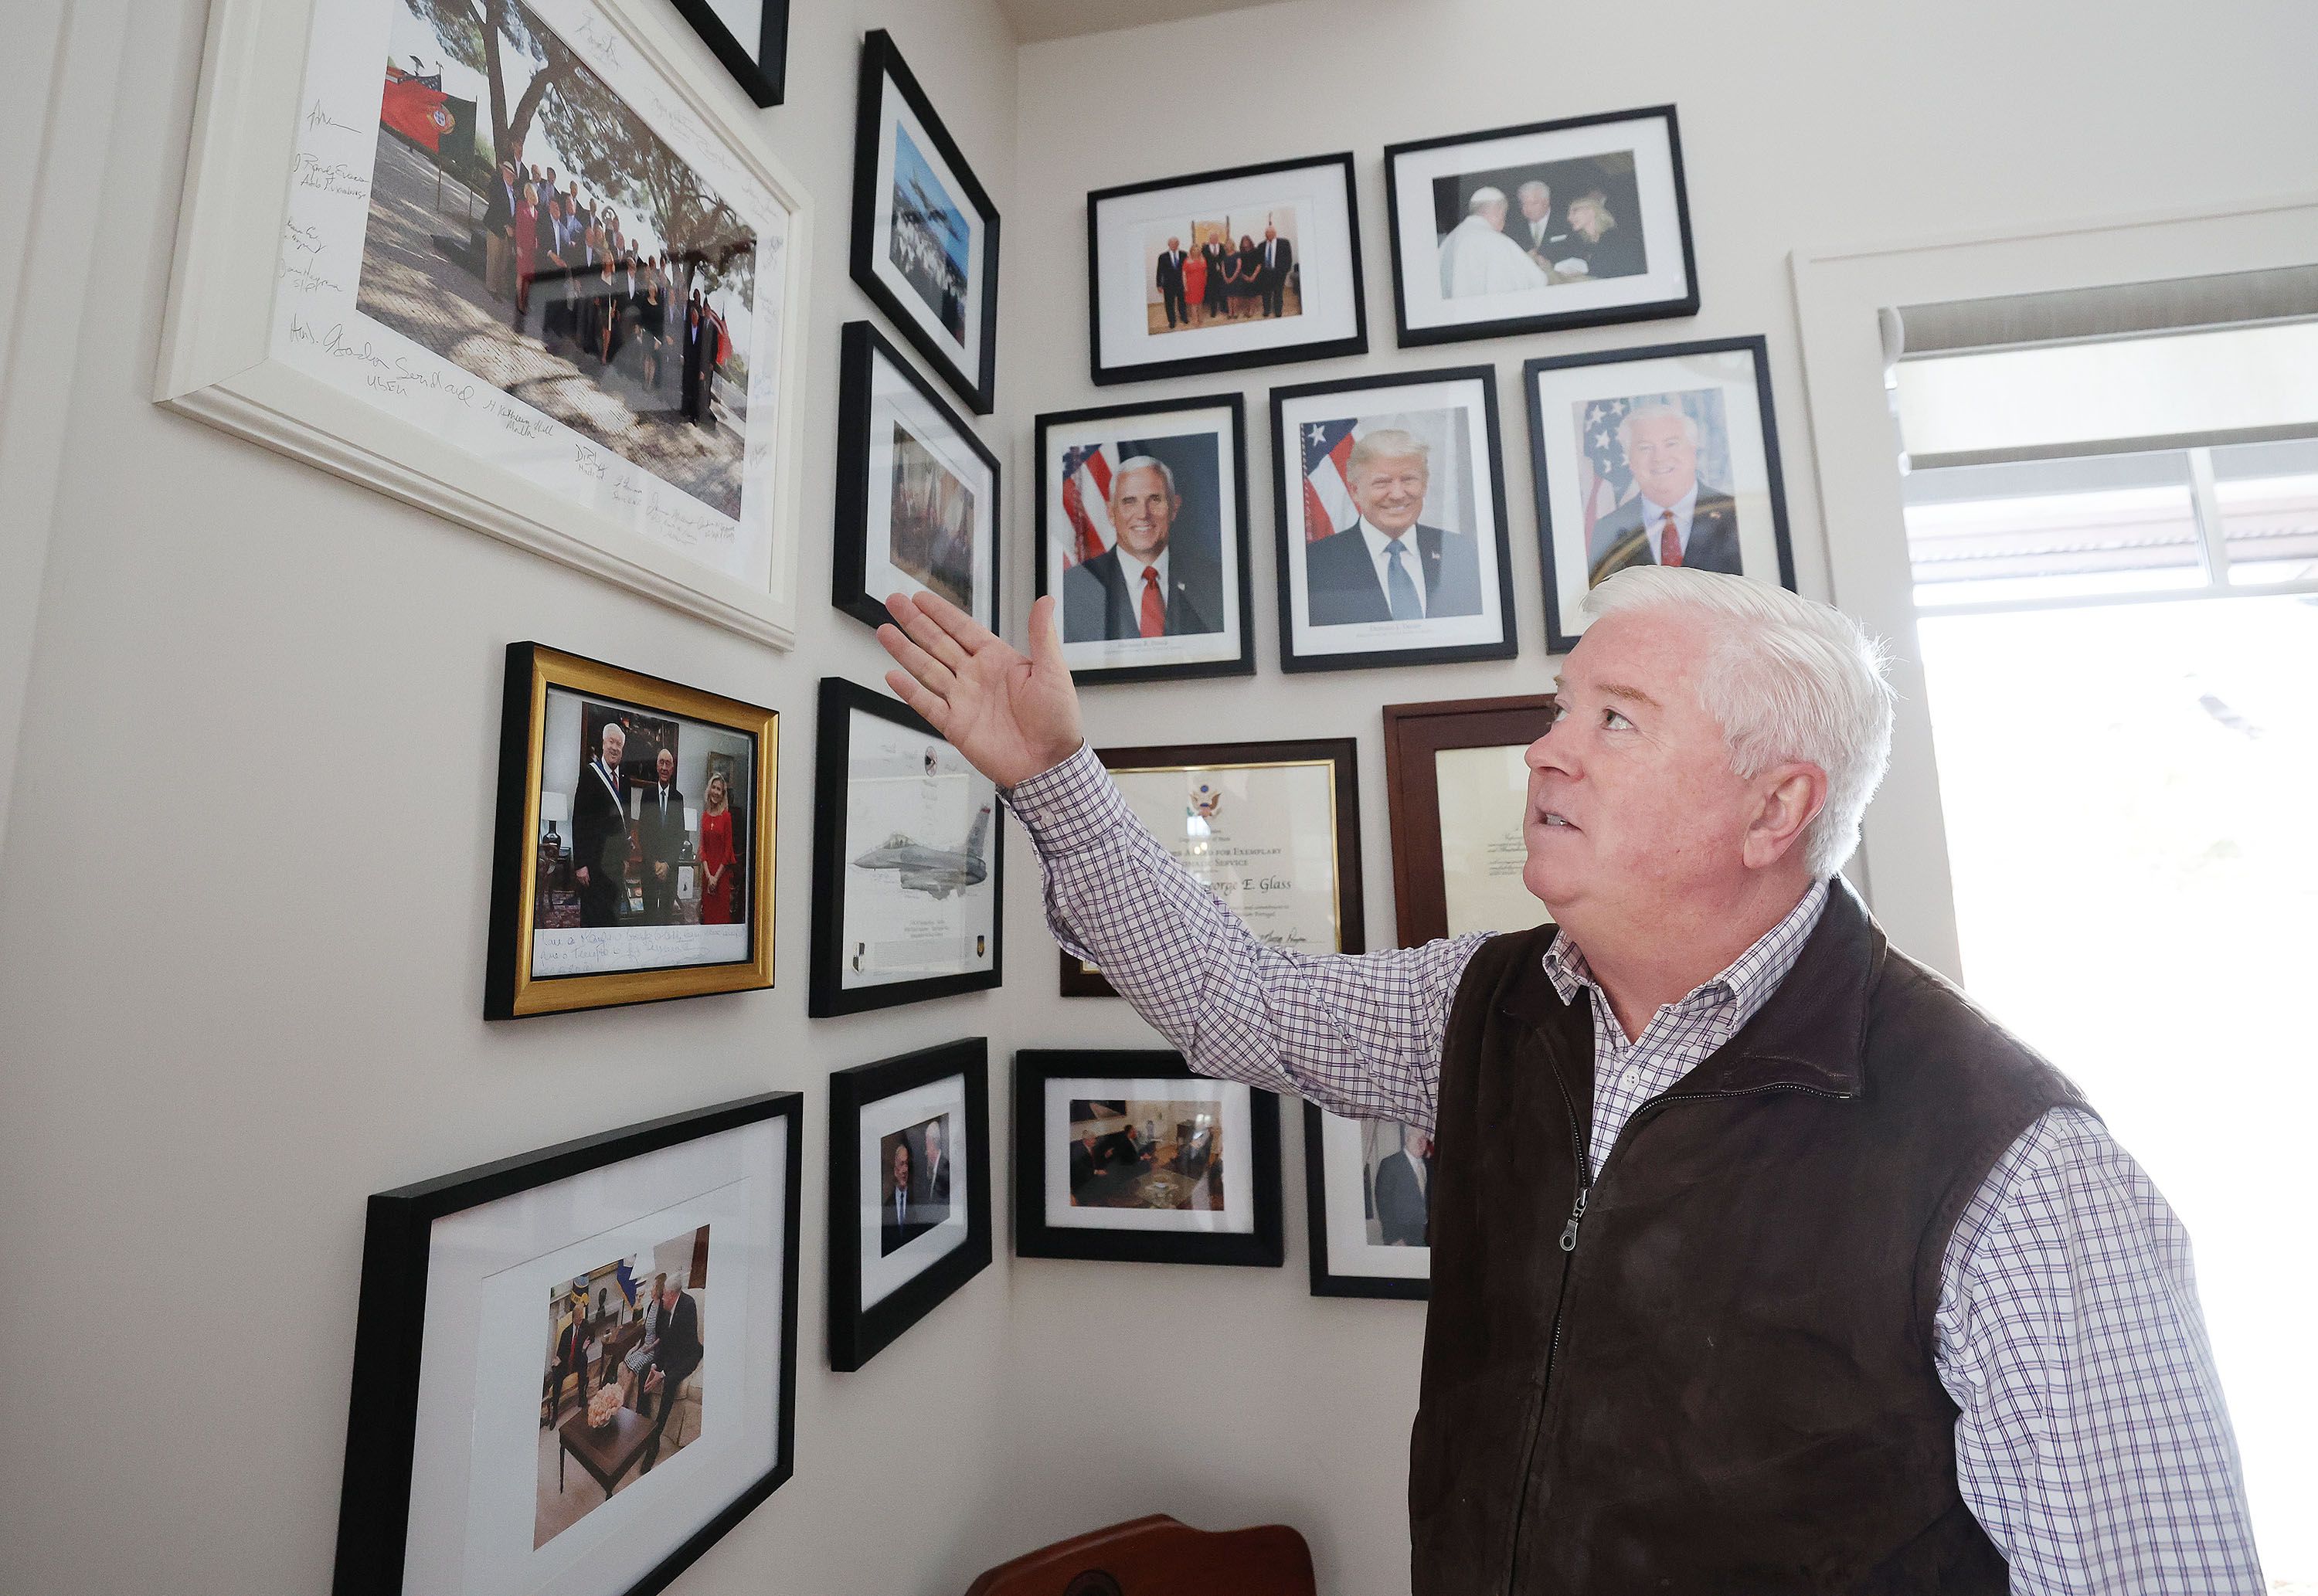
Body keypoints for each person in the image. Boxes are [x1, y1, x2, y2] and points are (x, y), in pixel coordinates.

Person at [870, 569, 2264, 1594]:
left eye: (1618, 719)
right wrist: (1055, 776)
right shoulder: (1489, 1004)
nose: (1546, 747)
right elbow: (1246, 1001)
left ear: (1777, 807)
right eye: (1564, 707)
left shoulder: (2017, 1165)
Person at [1303, 430, 1483, 625]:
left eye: (1408, 480)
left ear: (1425, 485)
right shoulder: (1315, 565)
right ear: (1355, 491)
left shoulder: (1463, 553)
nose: (1397, 494)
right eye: (1382, 482)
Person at [1062, 456, 1220, 643]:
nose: (1143, 514)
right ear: (1111, 513)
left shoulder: (1214, 581)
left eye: (1155, 499)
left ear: (1174, 507)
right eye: (1129, 501)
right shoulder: (1073, 589)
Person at [1588, 405, 1744, 582]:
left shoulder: (1737, 516)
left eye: (1671, 444)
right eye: (1645, 447)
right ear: (1630, 460)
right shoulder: (1607, 530)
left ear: (1693, 451)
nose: (1659, 457)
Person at [1437, 186, 1549, 299]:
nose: (1504, 223)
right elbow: (1537, 282)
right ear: (1499, 211)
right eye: (1504, 215)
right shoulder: (1497, 241)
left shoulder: (1449, 240)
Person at [570, 720, 630, 928]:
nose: (615, 748)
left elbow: (625, 821)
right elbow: (579, 820)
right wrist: (580, 865)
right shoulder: (590, 774)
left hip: (615, 864)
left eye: (619, 744)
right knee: (593, 918)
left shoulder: (624, 778)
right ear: (603, 744)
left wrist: (625, 858)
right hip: (594, 864)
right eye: (611, 742)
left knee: (612, 917)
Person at [639, 1275, 700, 1471]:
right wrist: (655, 1366)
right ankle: (644, 1424)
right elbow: (664, 1341)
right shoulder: (665, 1311)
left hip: (688, 1355)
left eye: (664, 1295)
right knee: (644, 1371)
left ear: (673, 1295)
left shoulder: (688, 1307)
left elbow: (683, 1347)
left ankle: (655, 1440)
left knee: (671, 1381)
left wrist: (663, 1373)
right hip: (671, 1352)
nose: (662, 1298)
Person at [636, 745, 685, 927]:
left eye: (668, 764)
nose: (664, 767)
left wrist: (666, 865)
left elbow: (680, 835)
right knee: (649, 916)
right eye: (661, 763)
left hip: (670, 870)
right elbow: (643, 834)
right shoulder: (647, 795)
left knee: (665, 917)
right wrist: (655, 863)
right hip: (650, 867)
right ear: (656, 767)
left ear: (672, 769)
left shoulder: (678, 798)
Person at [1551, 188, 1644, 280]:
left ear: (1592, 211)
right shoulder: (1584, 243)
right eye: (1569, 214)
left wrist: (1584, 273)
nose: (1569, 218)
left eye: (1575, 211)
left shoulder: (1615, 238)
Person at [1371, 1129, 1432, 1246]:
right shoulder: (1390, 1164)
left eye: (1423, 1138)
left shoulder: (1430, 1165)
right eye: (1416, 1137)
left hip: (1429, 1238)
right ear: (1407, 1139)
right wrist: (1394, 1238)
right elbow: (1384, 1204)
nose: (1420, 1142)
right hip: (1403, 1239)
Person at [541, 1279, 588, 1426]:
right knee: (557, 1375)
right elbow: (561, 1352)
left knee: (584, 1363)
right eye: (579, 1319)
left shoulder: (585, 1325)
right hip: (565, 1361)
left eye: (582, 1319)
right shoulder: (567, 1333)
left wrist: (586, 1345)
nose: (581, 1321)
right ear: (574, 1319)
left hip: (577, 1360)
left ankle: (582, 1398)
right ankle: (554, 1414)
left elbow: (591, 1335)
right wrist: (558, 1360)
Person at [696, 769, 736, 925]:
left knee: (720, 918)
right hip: (708, 875)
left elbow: (728, 851)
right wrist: (708, 876)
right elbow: (702, 848)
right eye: (714, 788)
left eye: (719, 789)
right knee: (708, 916)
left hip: (721, 876)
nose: (715, 792)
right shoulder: (705, 816)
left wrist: (716, 878)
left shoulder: (726, 817)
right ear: (709, 789)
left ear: (723, 793)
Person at [881, 1140, 932, 1251]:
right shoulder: (887, 1206)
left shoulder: (919, 1199)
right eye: (901, 1164)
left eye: (907, 1164)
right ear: (895, 1171)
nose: (905, 1170)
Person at [483, 160, 518, 300]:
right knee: (494, 258)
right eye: (508, 173)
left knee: (504, 261)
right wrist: (505, 225)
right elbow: (496, 207)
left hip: (507, 233)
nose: (510, 177)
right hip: (496, 227)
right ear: (503, 172)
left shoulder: (513, 193)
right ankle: (491, 287)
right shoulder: (497, 186)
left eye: (512, 175)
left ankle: (500, 288)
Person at [512, 181, 539, 323]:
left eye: (532, 193)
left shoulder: (537, 212)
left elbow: (537, 232)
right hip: (522, 246)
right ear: (526, 194)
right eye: (528, 192)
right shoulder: (521, 206)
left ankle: (525, 301)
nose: (530, 195)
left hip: (532, 250)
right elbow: (518, 227)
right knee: (521, 274)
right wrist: (518, 246)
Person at [1255, 222, 1293, 318]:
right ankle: (1267, 310)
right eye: (1267, 233)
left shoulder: (1284, 243)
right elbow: (1258, 261)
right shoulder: (1261, 245)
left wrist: (1284, 271)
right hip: (1266, 273)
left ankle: (1278, 311)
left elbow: (1289, 258)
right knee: (1266, 293)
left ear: (1275, 233)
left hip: (1279, 273)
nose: (1269, 235)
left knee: (1278, 293)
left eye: (1271, 233)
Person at [915, 1119, 950, 1217]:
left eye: (927, 1142)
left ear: (932, 1142)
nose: (926, 1151)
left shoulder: (945, 1169)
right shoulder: (934, 1170)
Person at [1154, 236, 1190, 329]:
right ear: (1169, 244)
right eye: (1172, 243)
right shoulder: (1162, 256)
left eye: (1176, 243)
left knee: (1182, 302)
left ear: (1178, 244)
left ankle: (1183, 317)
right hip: (1168, 284)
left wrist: (1188, 283)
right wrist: (1159, 284)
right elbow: (1159, 271)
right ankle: (1172, 321)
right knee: (1169, 303)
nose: (1174, 245)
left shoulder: (1184, 254)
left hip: (1181, 283)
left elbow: (1187, 270)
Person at [1515, 179, 1556, 258]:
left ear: (1547, 202)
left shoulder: (1566, 221)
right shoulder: (1515, 228)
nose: (1528, 209)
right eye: (1524, 204)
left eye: (1534, 203)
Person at [1198, 235, 1229, 324]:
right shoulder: (1205, 248)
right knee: (1212, 292)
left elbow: (1225, 258)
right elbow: (1203, 260)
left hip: (1222, 273)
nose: (1214, 240)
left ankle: (1224, 308)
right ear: (1210, 240)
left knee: (1223, 290)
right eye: (1213, 239)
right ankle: (1213, 310)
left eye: (1216, 239)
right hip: (1210, 274)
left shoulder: (1223, 247)